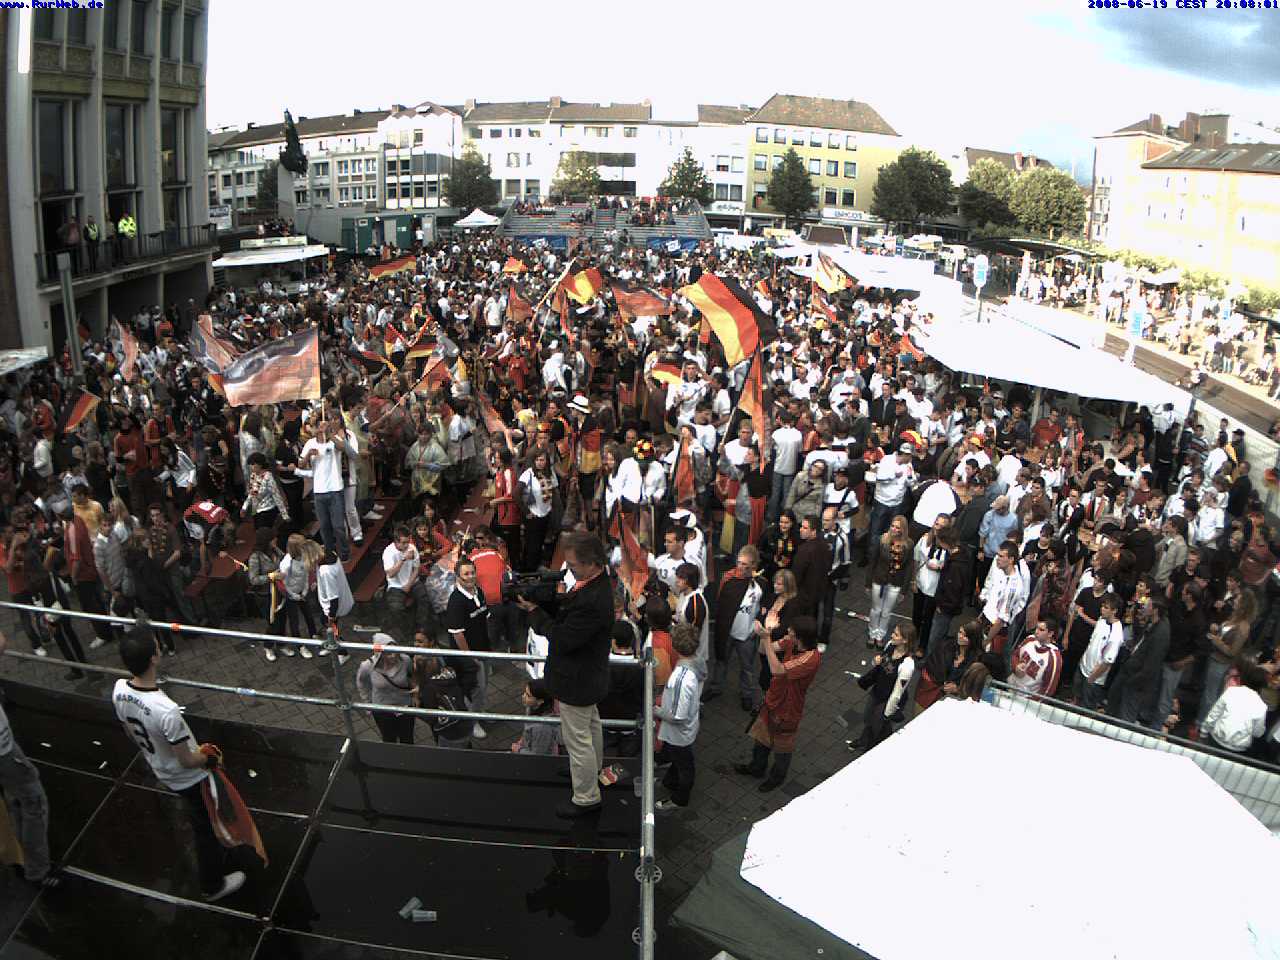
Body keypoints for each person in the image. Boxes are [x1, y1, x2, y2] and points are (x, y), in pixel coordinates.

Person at [112, 628, 246, 902]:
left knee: (202, 818)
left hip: (160, 768)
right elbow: (187, 760)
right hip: (187, 778)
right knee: (203, 826)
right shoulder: (166, 710)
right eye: (156, 645)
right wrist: (209, 757)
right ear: (154, 658)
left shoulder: (119, 690)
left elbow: (129, 732)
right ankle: (212, 884)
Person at [514, 532, 614, 818]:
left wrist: (535, 612)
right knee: (590, 729)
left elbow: (563, 638)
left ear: (591, 563)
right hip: (588, 677)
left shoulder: (592, 600)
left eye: (572, 565)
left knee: (577, 740)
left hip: (576, 680)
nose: (568, 569)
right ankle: (591, 773)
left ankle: (585, 796)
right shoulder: (597, 585)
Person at [734, 616, 821, 792]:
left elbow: (777, 669)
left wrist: (766, 637)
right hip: (771, 701)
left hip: (787, 711)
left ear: (800, 637)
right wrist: (766, 633)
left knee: (782, 749)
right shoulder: (791, 642)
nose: (788, 632)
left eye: (792, 631)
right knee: (761, 739)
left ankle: (776, 778)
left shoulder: (811, 659)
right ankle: (757, 768)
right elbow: (764, 650)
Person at [0, 628, 55, 888]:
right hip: (4, 753)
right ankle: (37, 869)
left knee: (15, 798)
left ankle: (20, 853)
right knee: (34, 801)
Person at [654, 623, 703, 812]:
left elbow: (677, 716)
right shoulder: (697, 662)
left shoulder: (681, 678)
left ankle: (680, 799)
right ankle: (670, 781)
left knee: (685, 766)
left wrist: (656, 710)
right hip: (688, 728)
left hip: (680, 733)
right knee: (680, 760)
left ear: (675, 646)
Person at [709, 546, 765, 711]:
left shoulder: (761, 584)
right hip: (727, 632)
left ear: (754, 565)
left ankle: (746, 694)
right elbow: (720, 604)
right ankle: (716, 687)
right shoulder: (729, 579)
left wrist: (757, 626)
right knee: (721, 661)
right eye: (739, 563)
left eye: (745, 565)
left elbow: (765, 607)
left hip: (747, 635)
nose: (740, 567)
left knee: (747, 667)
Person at [445, 557, 490, 741]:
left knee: (483, 685)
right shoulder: (456, 601)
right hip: (468, 656)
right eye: (466, 574)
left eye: (472, 572)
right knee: (474, 689)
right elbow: (458, 634)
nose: (470, 576)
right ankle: (472, 722)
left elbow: (484, 618)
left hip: (483, 649)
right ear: (458, 576)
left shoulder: (479, 591)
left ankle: (480, 711)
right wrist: (471, 658)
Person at [300, 416, 356, 562]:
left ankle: (344, 553)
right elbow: (300, 464)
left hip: (335, 489)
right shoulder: (310, 443)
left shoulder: (334, 441)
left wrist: (330, 434)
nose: (321, 429)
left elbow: (344, 449)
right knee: (324, 526)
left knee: (338, 526)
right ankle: (330, 553)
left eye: (324, 425)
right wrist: (308, 455)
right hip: (319, 491)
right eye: (319, 426)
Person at [855, 623, 916, 749]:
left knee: (877, 726)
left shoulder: (907, 665)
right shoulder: (890, 645)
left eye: (896, 634)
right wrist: (875, 661)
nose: (892, 635)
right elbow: (879, 665)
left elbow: (897, 692)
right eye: (893, 632)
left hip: (887, 699)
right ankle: (864, 740)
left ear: (905, 640)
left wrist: (887, 714)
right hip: (877, 691)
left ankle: (869, 747)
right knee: (867, 718)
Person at [355, 634, 416, 744]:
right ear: (379, 653)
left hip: (405, 707)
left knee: (407, 738)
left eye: (395, 651)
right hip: (382, 710)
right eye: (388, 653)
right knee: (388, 739)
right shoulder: (367, 666)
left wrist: (415, 695)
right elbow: (361, 683)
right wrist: (367, 703)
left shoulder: (405, 660)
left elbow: (412, 676)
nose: (393, 656)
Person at [1202, 663, 1268, 753]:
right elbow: (1257, 733)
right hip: (1238, 749)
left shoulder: (1231, 691)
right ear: (1262, 686)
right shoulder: (1262, 706)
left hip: (1216, 740)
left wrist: (1203, 733)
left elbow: (1213, 715)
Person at [1074, 595, 1123, 710]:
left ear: (1114, 611)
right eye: (1102, 606)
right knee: (1076, 697)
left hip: (1093, 677)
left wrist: (1092, 678)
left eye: (1106, 607)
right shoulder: (1102, 620)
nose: (1102, 609)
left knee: (1086, 708)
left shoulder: (1116, 634)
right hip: (1083, 666)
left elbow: (1108, 661)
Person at [1007, 618, 1064, 698]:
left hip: (1026, 698)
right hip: (1010, 685)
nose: (1036, 632)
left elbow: (1048, 689)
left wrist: (1031, 701)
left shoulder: (1054, 657)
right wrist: (1016, 666)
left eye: (1041, 630)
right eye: (1036, 628)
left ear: (1050, 634)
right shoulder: (1030, 639)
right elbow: (1015, 655)